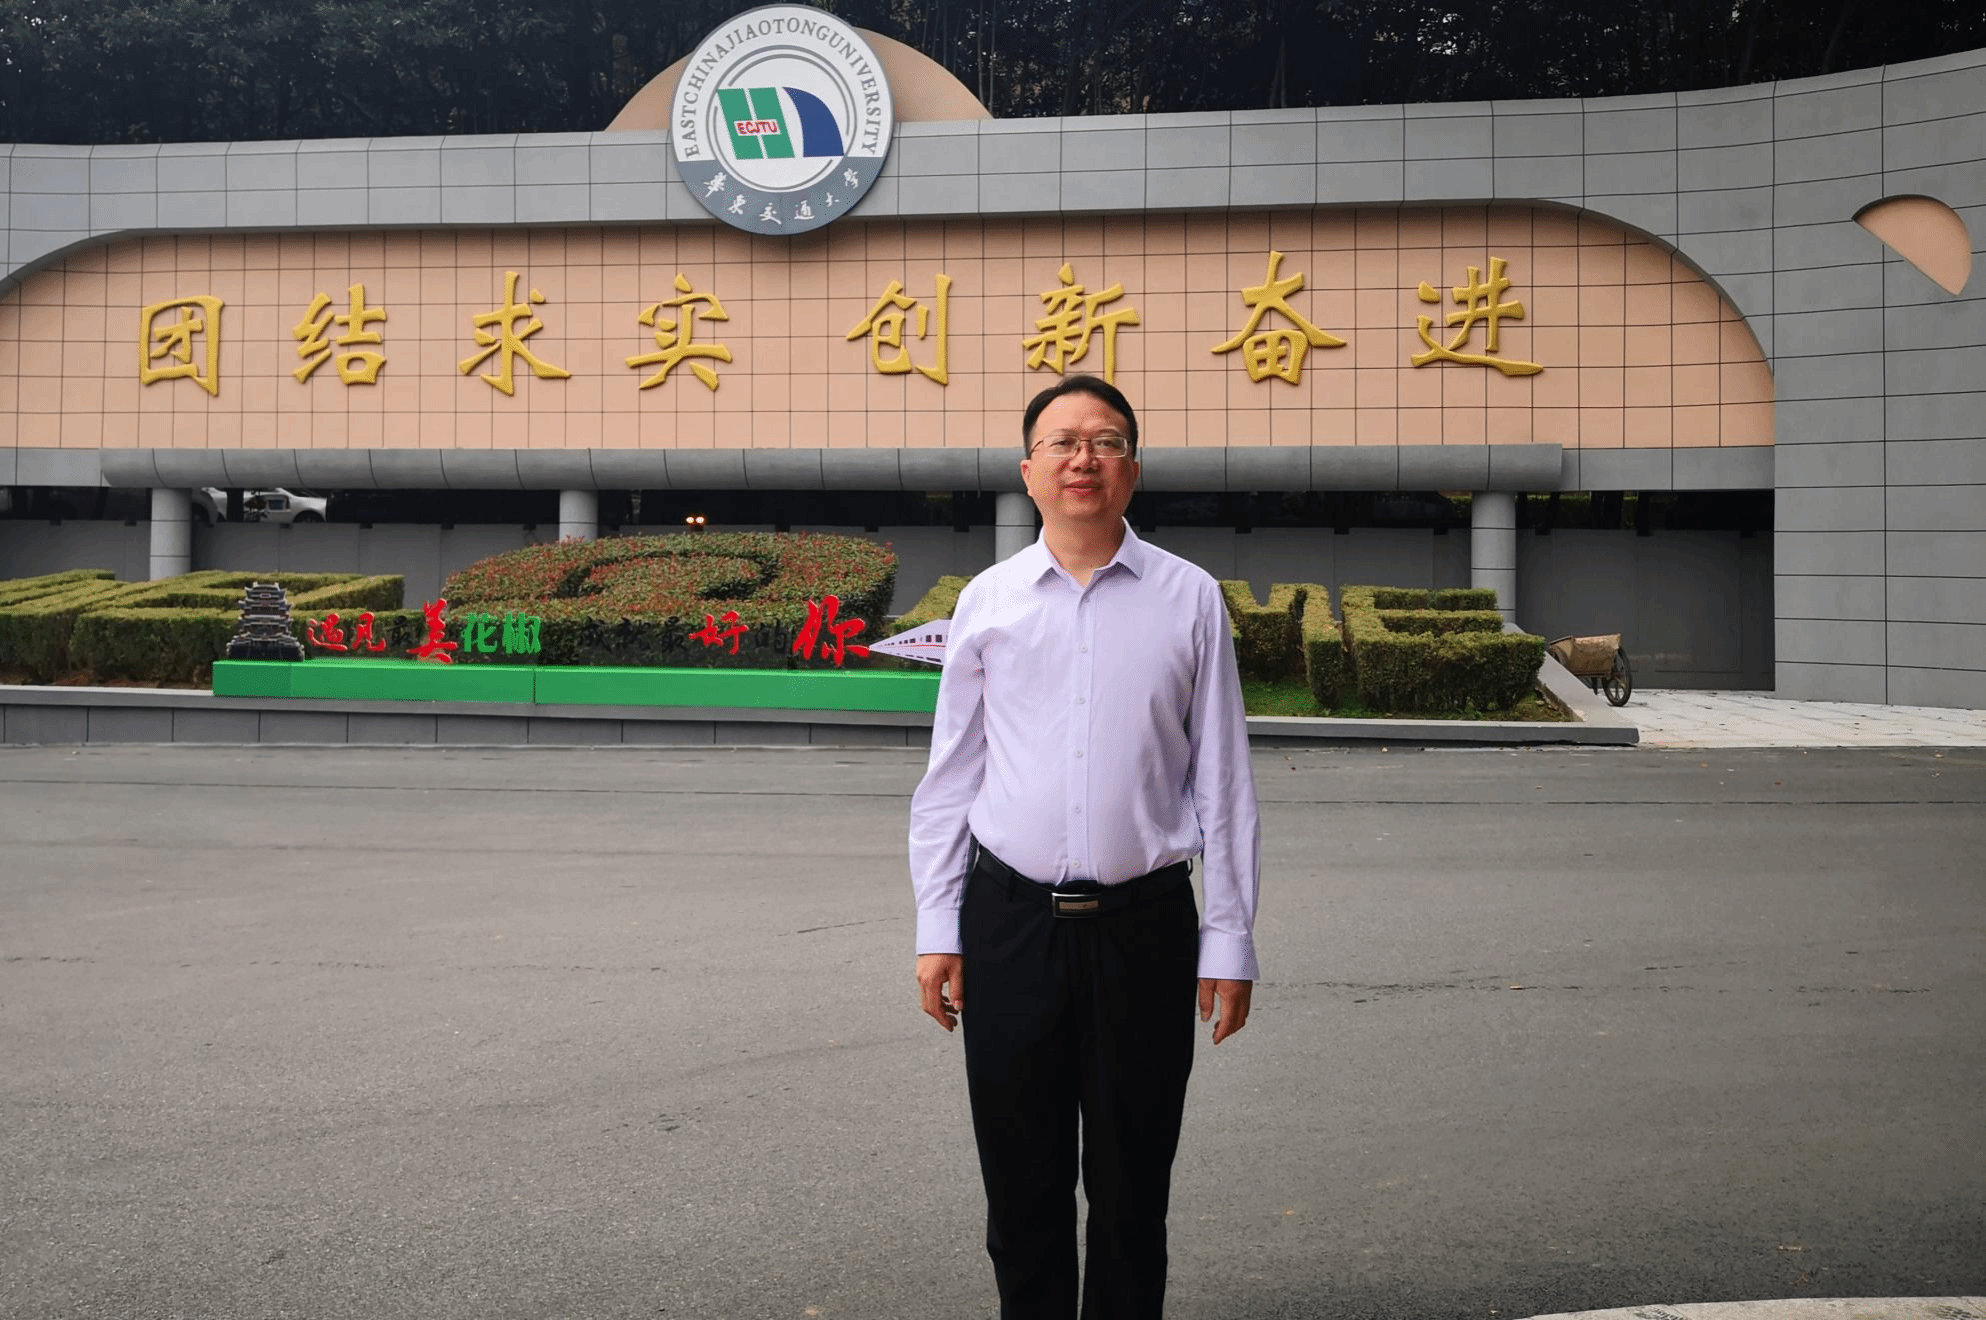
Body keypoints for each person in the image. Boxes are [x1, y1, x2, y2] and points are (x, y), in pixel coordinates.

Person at [907, 374, 1261, 1319]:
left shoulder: (1189, 599)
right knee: (1021, 1191)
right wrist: (938, 927)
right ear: (1028, 470)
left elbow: (1223, 781)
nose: (1082, 459)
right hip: (1009, 923)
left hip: (1144, 928)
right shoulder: (989, 601)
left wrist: (1229, 940)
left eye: (1105, 442)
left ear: (1132, 470)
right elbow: (951, 780)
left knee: (1133, 1191)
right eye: (1061, 442)